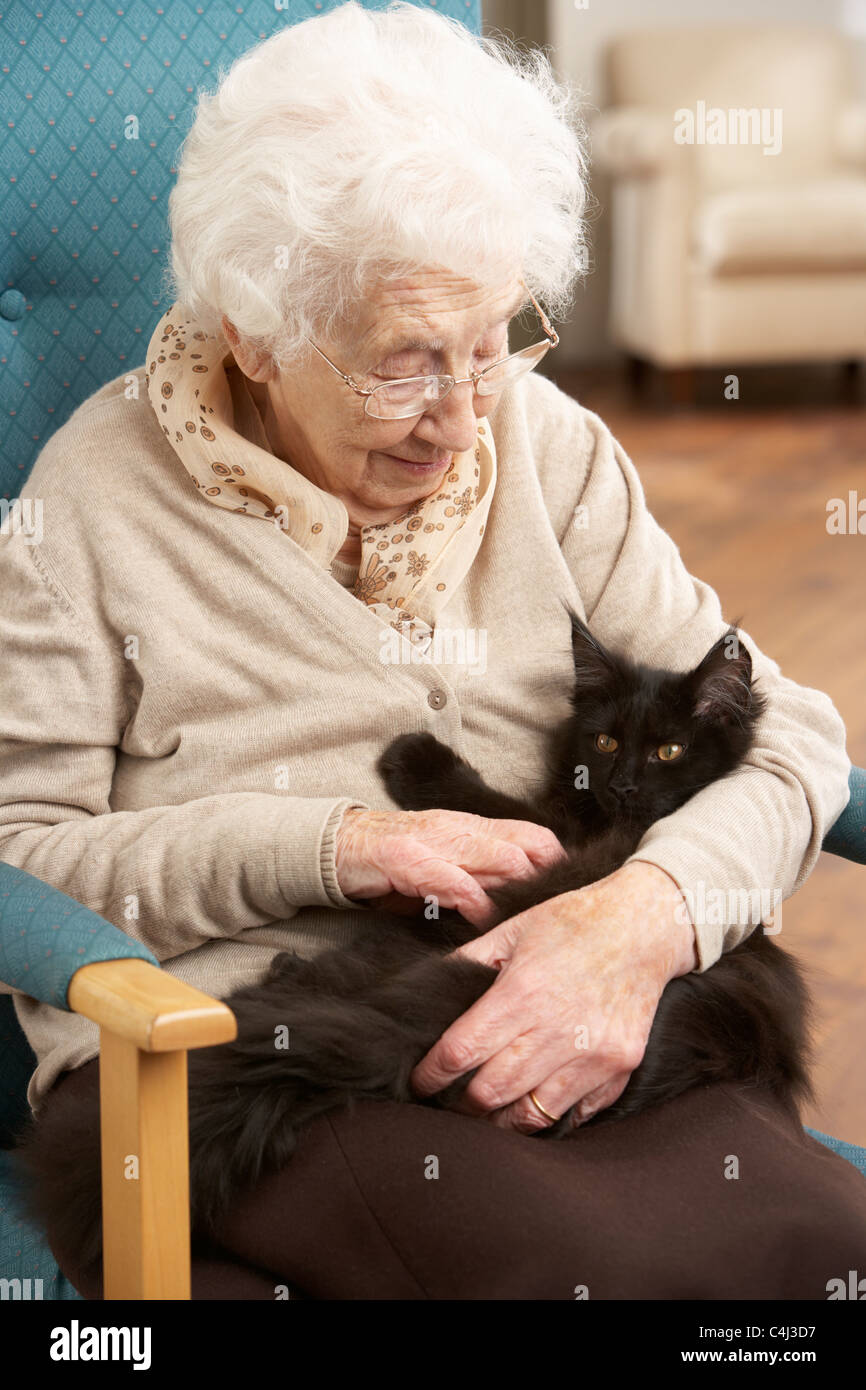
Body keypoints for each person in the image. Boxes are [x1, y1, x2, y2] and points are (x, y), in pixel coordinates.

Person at [2, 2, 863, 1299]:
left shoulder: (549, 442)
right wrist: (335, 845)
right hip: (257, 1052)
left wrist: (647, 916)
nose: (463, 421)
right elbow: (25, 857)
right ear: (257, 331)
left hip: (573, 991)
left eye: (493, 342)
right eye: (403, 366)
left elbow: (785, 729)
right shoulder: (91, 504)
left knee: (819, 1251)